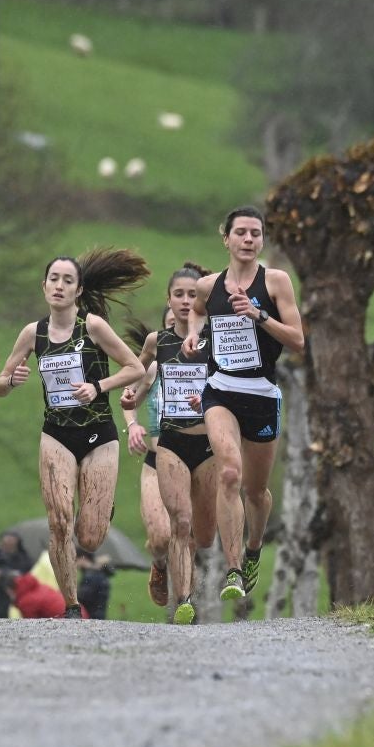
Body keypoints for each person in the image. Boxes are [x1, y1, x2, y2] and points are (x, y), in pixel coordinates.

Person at [0, 249, 148, 618]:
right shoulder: (33, 333)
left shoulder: (92, 326)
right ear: (44, 286)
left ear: (78, 290)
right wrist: (10, 381)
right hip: (57, 433)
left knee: (90, 536)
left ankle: (100, 507)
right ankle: (71, 604)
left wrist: (99, 387)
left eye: (67, 281)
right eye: (54, 279)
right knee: (60, 519)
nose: (59, 286)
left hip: (98, 433)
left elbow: (135, 368)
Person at [183, 206, 304, 600]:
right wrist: (192, 334)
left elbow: (298, 340)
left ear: (262, 240)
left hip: (262, 394)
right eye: (241, 233)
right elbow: (198, 313)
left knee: (256, 491)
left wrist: (258, 315)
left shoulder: (276, 282)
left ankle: (253, 551)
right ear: (227, 238)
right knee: (230, 474)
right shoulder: (207, 285)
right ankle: (233, 570)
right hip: (220, 390)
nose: (249, 240)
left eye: (256, 233)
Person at [128, 263, 218, 624]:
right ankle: (179, 593)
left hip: (206, 448)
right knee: (170, 530)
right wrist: (132, 422)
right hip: (161, 452)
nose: (185, 301)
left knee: (200, 534)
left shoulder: (214, 341)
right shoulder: (157, 346)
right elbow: (131, 382)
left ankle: (180, 590)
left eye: (192, 295)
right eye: (178, 294)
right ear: (168, 300)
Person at [120, 307, 175, 610]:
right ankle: (160, 564)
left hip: (194, 461)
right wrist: (133, 426)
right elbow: (128, 399)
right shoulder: (153, 369)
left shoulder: (208, 365)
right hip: (156, 462)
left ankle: (186, 603)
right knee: (160, 538)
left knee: (190, 537)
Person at [3, 570, 88, 619]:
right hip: (81, 615)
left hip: (72, 623)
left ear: (9, 590)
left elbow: (31, 629)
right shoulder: (39, 587)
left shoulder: (25, 602)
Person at [76, 550, 114, 620]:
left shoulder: (91, 575)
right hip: (98, 615)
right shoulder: (97, 573)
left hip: (92, 617)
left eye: (76, 559)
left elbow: (83, 597)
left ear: (83, 558)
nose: (75, 563)